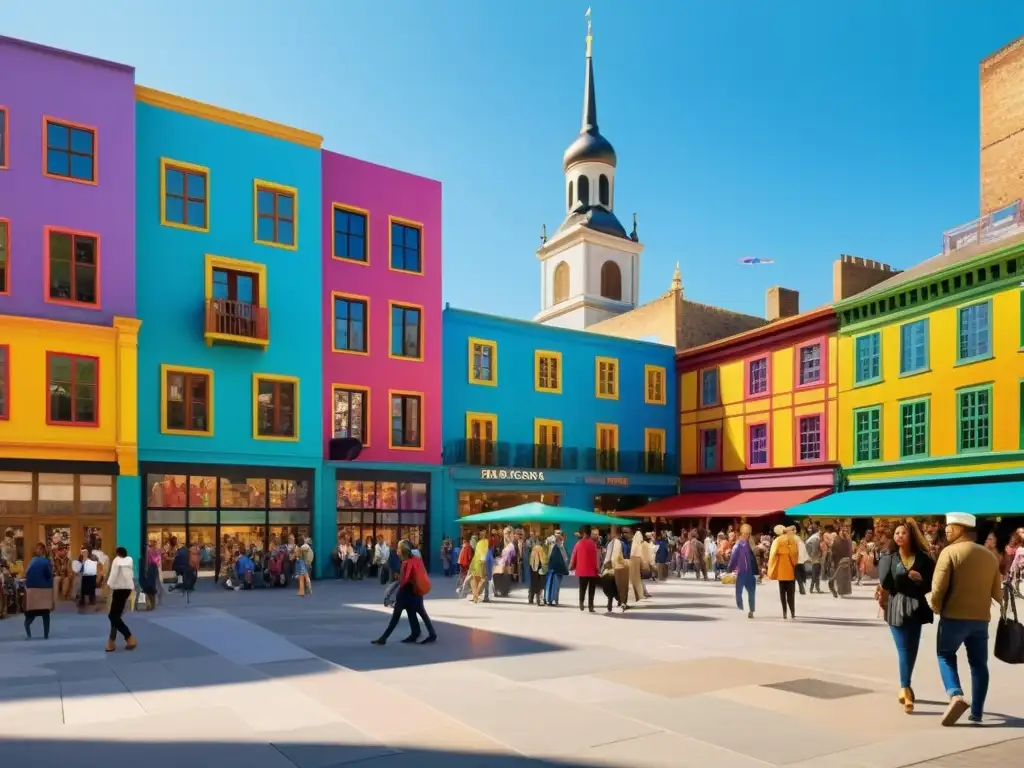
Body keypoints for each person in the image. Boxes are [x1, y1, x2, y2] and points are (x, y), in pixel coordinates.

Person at [929, 512, 1004, 726]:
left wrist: (935, 605)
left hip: (953, 617)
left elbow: (938, 589)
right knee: (979, 664)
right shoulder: (989, 556)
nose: (947, 529)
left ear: (963, 529)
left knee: (945, 655)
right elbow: (997, 593)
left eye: (951, 526)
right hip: (981, 621)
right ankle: (978, 712)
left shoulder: (949, 552)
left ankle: (955, 694)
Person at [877, 519, 934, 715]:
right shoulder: (890, 558)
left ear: (911, 536)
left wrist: (921, 580)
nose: (899, 536)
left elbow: (932, 583)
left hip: (916, 608)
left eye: (903, 533)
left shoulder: (924, 558)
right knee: (903, 649)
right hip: (896, 606)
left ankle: (905, 686)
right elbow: (885, 583)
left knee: (912, 650)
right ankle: (905, 688)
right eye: (897, 533)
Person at [372, 540, 436, 645]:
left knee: (396, 615)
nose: (397, 550)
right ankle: (422, 633)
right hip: (416, 591)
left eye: (398, 548)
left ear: (402, 551)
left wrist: (397, 586)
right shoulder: (416, 559)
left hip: (406, 592)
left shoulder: (406, 563)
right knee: (417, 612)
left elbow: (404, 580)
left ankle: (384, 638)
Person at [105, 546, 136, 652]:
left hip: (118, 589)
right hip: (127, 589)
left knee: (112, 616)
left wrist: (108, 584)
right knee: (116, 616)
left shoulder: (116, 561)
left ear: (117, 553)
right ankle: (111, 642)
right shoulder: (130, 560)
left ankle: (129, 637)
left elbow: (113, 574)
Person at [24, 543, 54, 640]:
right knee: (45, 613)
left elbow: (27, 574)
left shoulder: (31, 562)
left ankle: (28, 634)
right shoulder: (46, 561)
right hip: (43, 590)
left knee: (30, 614)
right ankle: (46, 635)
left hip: (32, 589)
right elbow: (50, 575)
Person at [768, 524, 798, 619]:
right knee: (791, 594)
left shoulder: (777, 541)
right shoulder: (792, 540)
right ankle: (792, 612)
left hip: (781, 571)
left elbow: (773, 555)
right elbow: (795, 554)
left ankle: (784, 612)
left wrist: (772, 569)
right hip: (790, 570)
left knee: (782, 594)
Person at [728, 524, 758, 618]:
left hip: (749, 572)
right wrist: (730, 568)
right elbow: (733, 558)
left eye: (748, 534)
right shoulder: (739, 546)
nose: (747, 536)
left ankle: (751, 610)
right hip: (743, 572)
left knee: (750, 591)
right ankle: (744, 607)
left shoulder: (748, 545)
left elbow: (755, 558)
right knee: (746, 591)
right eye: (745, 534)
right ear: (742, 534)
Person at [570, 527, 600, 612]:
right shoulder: (593, 544)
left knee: (582, 588)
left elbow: (574, 555)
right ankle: (591, 606)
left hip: (582, 570)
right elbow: (595, 558)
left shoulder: (578, 543)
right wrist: (597, 568)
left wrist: (572, 565)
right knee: (591, 589)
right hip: (592, 570)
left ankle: (581, 603)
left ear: (583, 534)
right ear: (588, 534)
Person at [545, 532, 569, 606]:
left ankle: (555, 599)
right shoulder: (551, 544)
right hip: (551, 568)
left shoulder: (561, 546)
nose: (556, 537)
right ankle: (549, 599)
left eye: (558, 535)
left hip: (558, 569)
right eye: (555, 535)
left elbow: (565, 558)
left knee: (556, 585)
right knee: (550, 584)